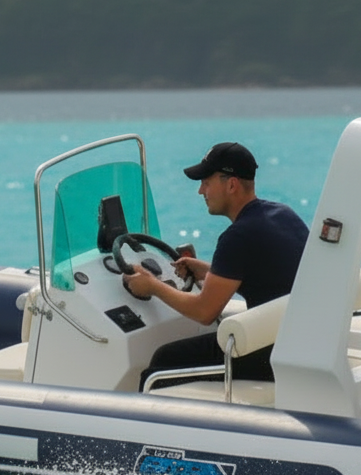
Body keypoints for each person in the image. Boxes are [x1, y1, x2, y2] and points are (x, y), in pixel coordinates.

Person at [123, 142, 309, 388]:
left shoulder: (237, 237)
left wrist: (152, 286)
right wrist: (210, 270)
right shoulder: (283, 214)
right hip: (298, 344)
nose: (201, 191)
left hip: (268, 357)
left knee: (162, 361)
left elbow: (204, 312)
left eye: (206, 182)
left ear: (231, 185)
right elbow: (269, 275)